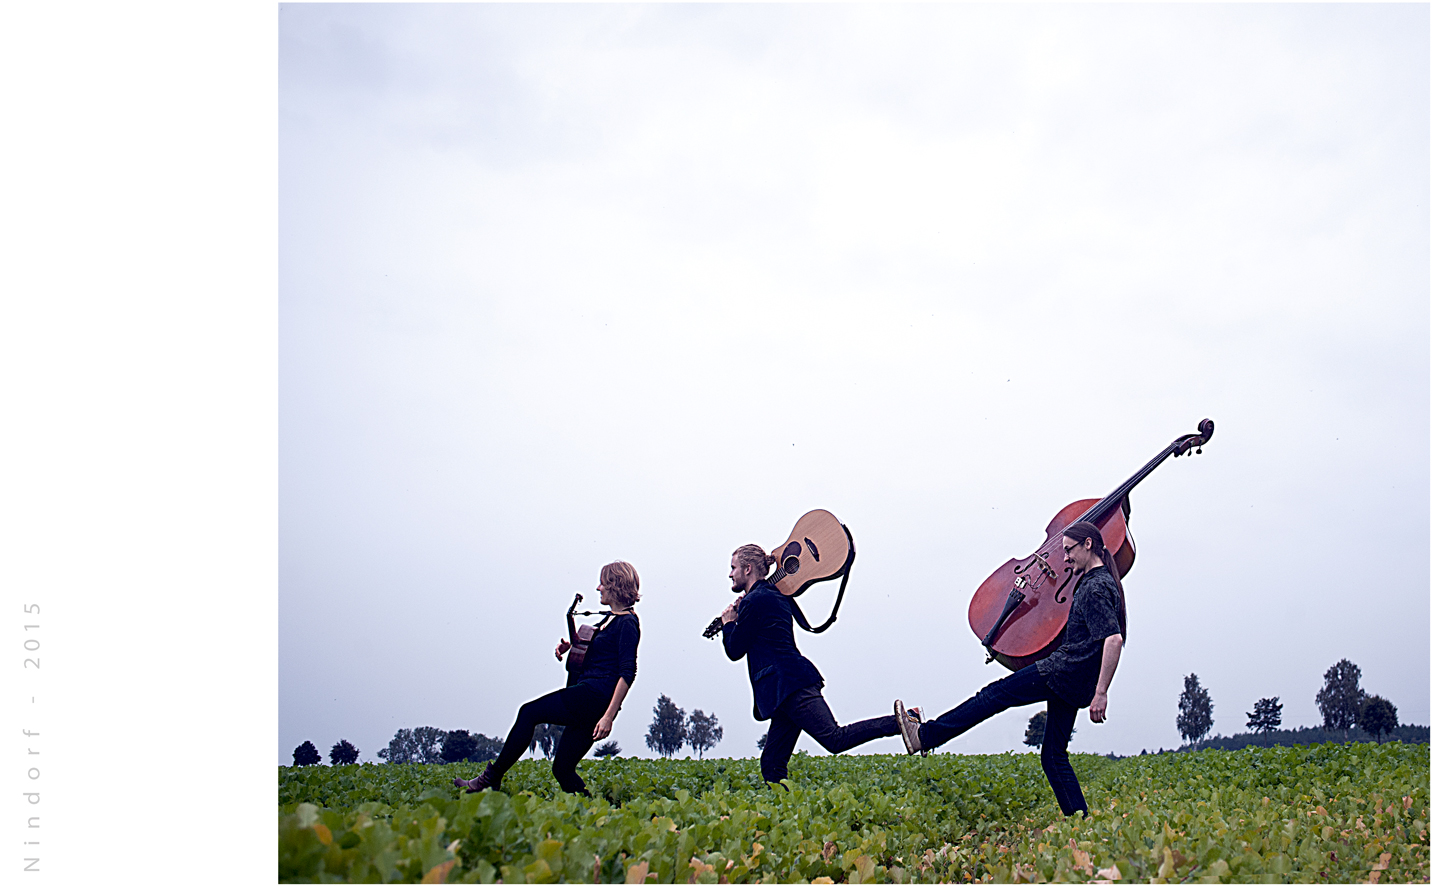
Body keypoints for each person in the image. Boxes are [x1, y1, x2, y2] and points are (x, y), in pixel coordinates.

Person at [893, 521, 1126, 817]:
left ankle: (925, 736)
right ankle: (1081, 821)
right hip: (1073, 680)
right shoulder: (1099, 581)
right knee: (1053, 757)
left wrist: (1101, 693)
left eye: (1069, 550)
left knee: (993, 695)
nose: (1065, 558)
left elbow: (1113, 639)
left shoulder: (1095, 586)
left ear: (1088, 544)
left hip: (1063, 672)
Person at [454, 561, 641, 796]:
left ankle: (491, 778)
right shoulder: (609, 620)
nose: (598, 588)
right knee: (562, 769)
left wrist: (608, 717)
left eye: (603, 583)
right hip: (589, 697)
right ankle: (600, 813)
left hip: (593, 696)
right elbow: (601, 651)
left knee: (529, 712)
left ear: (615, 585)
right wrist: (572, 647)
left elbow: (627, 672)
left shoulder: (627, 623)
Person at [720, 543, 901, 784]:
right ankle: (782, 812)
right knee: (772, 763)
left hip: (790, 686)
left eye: (733, 568)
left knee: (835, 739)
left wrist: (729, 623)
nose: (730, 574)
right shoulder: (773, 596)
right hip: (783, 690)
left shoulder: (755, 602)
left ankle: (899, 721)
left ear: (748, 569)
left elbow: (734, 650)